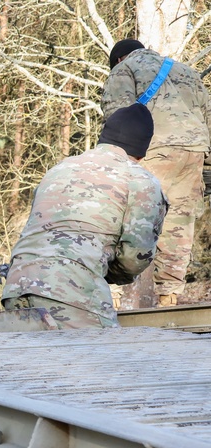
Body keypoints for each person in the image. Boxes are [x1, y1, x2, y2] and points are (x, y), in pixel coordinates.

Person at [1, 104, 168, 329]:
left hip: (17, 286)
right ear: (141, 151)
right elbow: (135, 257)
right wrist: (106, 273)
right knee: (109, 358)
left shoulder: (60, 169)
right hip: (71, 290)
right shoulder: (140, 180)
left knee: (38, 361)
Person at [101, 38, 211, 307]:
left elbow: (117, 115)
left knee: (127, 216)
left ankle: (110, 294)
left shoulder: (124, 68)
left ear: (118, 59)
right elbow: (208, 115)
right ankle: (169, 295)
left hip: (151, 148)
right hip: (193, 150)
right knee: (179, 225)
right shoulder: (186, 70)